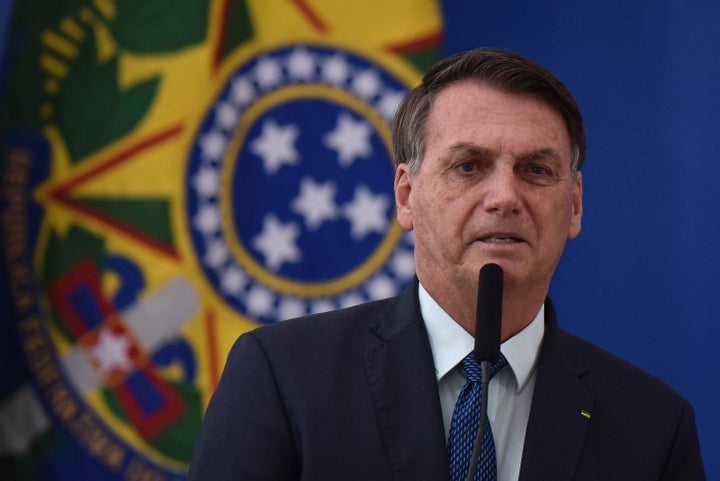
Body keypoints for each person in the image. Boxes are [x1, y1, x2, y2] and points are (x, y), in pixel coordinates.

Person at [188, 48, 705, 481]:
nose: (504, 196)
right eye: (468, 166)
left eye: (536, 169)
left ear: (574, 205)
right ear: (407, 196)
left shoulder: (655, 426)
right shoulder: (282, 378)